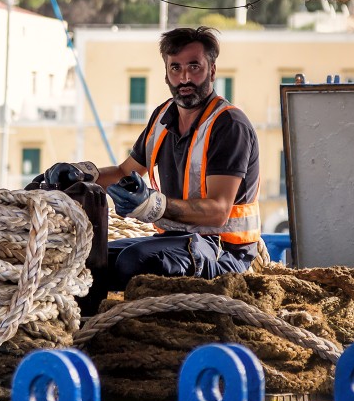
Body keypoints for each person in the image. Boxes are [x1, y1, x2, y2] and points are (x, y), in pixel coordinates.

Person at [41, 26, 260, 297]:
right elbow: (124, 171)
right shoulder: (163, 117)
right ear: (166, 73)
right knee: (89, 259)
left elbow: (218, 211)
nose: (185, 78)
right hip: (176, 241)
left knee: (134, 262)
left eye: (195, 67)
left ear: (212, 70)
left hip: (223, 252)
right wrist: (82, 174)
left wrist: (152, 204)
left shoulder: (229, 125)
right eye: (175, 68)